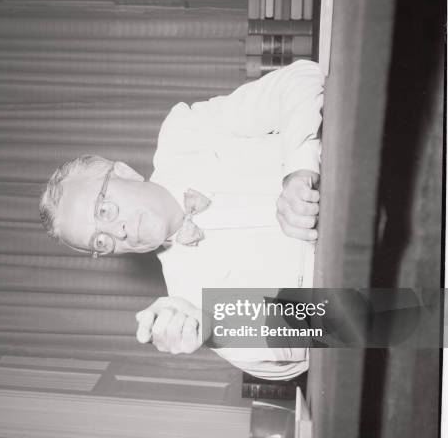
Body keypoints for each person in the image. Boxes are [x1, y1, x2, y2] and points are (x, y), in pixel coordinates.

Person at [39, 59, 324, 379]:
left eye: (103, 210)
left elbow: (302, 78)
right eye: (100, 241)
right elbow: (303, 354)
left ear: (124, 172)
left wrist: (300, 170)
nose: (116, 231)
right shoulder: (187, 302)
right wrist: (214, 328)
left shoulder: (186, 133)